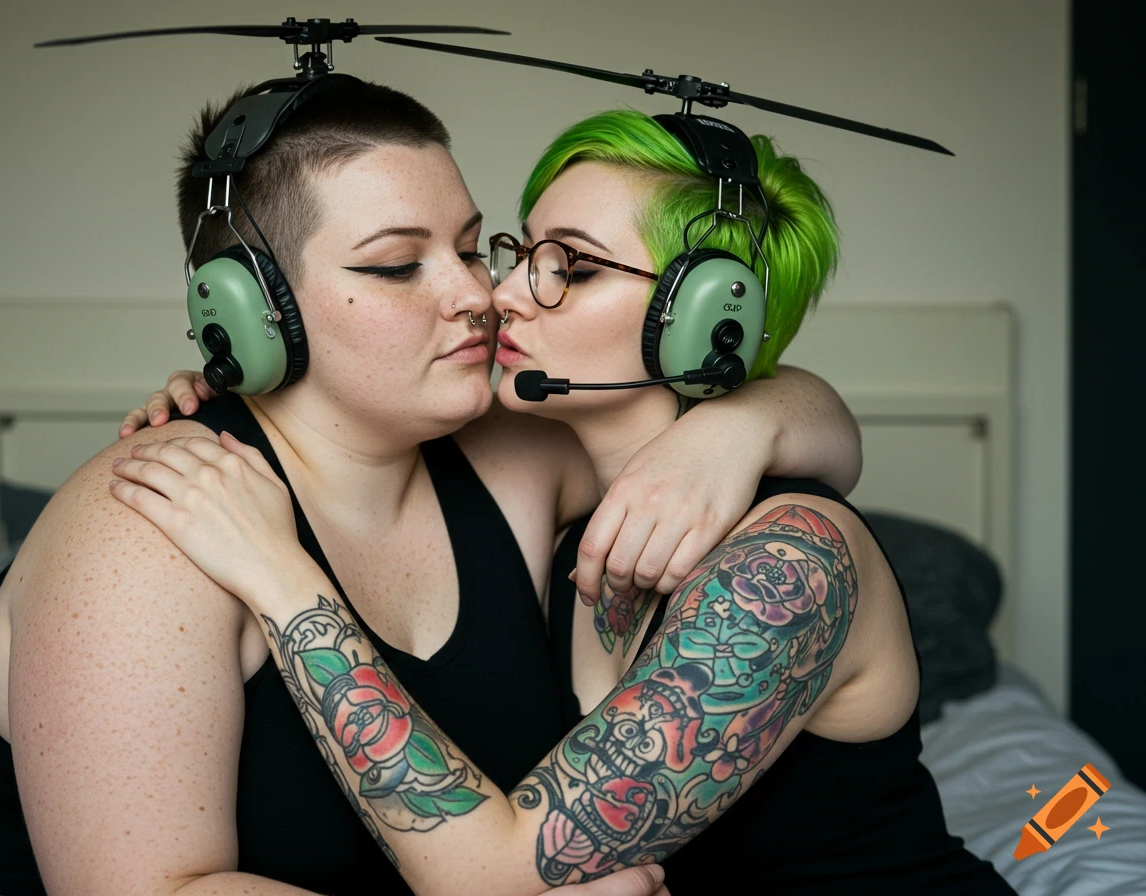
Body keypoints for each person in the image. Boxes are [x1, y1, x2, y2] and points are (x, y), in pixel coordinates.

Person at [0, 83, 861, 896]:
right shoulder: (154, 516)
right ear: (252, 316)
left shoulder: (521, 450)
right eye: (395, 266)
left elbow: (789, 442)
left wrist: (743, 425)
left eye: (473, 245)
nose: (480, 293)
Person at [111, 109, 1015, 894]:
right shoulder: (559, 504)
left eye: (570, 268)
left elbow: (495, 878)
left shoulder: (785, 568)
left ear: (703, 320)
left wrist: (280, 575)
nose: (495, 294)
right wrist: (244, 395)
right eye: (517, 251)